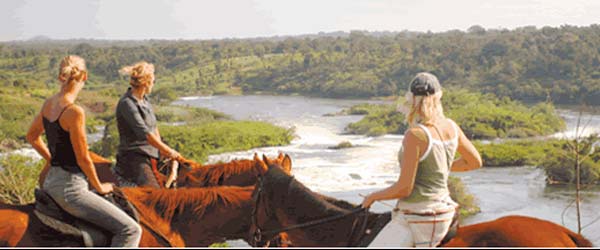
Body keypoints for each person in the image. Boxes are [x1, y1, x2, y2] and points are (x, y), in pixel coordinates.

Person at [26, 55, 142, 247]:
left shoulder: (50, 103)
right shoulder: (74, 111)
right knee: (130, 230)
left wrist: (52, 159)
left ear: (61, 76)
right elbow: (83, 159)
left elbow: (32, 136)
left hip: (50, 182)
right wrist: (98, 186)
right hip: (71, 189)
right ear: (85, 76)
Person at [362, 72, 482, 247]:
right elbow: (474, 162)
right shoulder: (451, 127)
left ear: (412, 100)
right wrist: (438, 170)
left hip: (419, 216)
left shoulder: (415, 135)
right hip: (446, 211)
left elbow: (404, 189)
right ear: (438, 97)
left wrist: (373, 197)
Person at [114, 61, 182, 188]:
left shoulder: (145, 101)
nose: (153, 84)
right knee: (154, 194)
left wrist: (163, 152)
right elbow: (145, 134)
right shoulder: (127, 103)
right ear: (146, 82)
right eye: (153, 81)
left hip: (153, 153)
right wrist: (169, 151)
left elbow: (154, 128)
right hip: (135, 156)